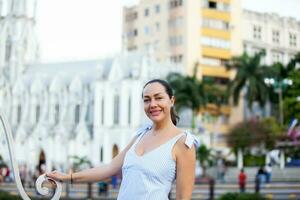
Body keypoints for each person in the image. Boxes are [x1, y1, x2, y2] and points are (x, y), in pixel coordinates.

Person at [46, 79, 199, 199]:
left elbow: (182, 198)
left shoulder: (183, 143)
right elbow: (109, 169)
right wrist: (68, 177)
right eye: (147, 100)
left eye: (158, 98)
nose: (153, 104)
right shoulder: (140, 135)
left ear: (171, 101)